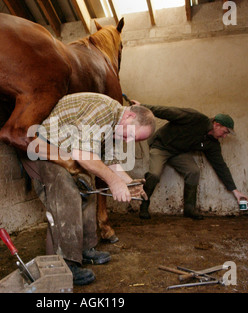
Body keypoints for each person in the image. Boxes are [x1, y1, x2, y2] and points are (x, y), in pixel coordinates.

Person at [21, 92, 156, 285]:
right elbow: (83, 155)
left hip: (66, 153)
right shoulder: (103, 110)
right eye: (130, 135)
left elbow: (111, 162)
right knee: (67, 194)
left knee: (87, 189)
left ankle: (84, 250)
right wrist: (114, 182)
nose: (127, 141)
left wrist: (128, 183)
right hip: (45, 148)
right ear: (130, 116)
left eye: (133, 140)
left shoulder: (116, 125)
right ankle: (65, 263)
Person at [131, 100, 248, 220]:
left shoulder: (212, 144)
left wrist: (235, 191)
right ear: (216, 125)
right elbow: (167, 112)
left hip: (179, 152)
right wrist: (142, 107)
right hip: (161, 146)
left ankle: (189, 208)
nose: (224, 136)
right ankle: (144, 205)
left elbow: (220, 166)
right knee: (154, 174)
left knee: (193, 171)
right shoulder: (195, 118)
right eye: (225, 132)